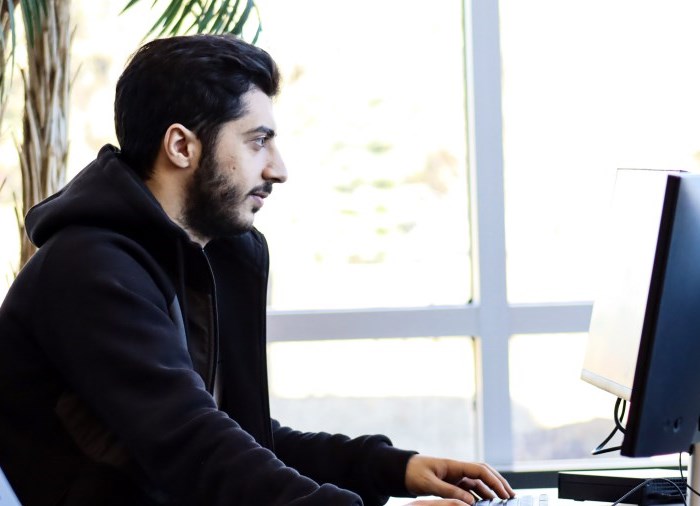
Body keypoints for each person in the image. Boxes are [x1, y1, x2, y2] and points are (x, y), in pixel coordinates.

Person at [0, 34, 515, 506]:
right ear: (182, 146)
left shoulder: (198, 255)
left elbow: (239, 436)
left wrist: (390, 468)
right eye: (257, 141)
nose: (278, 168)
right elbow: (195, 447)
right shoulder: (91, 270)